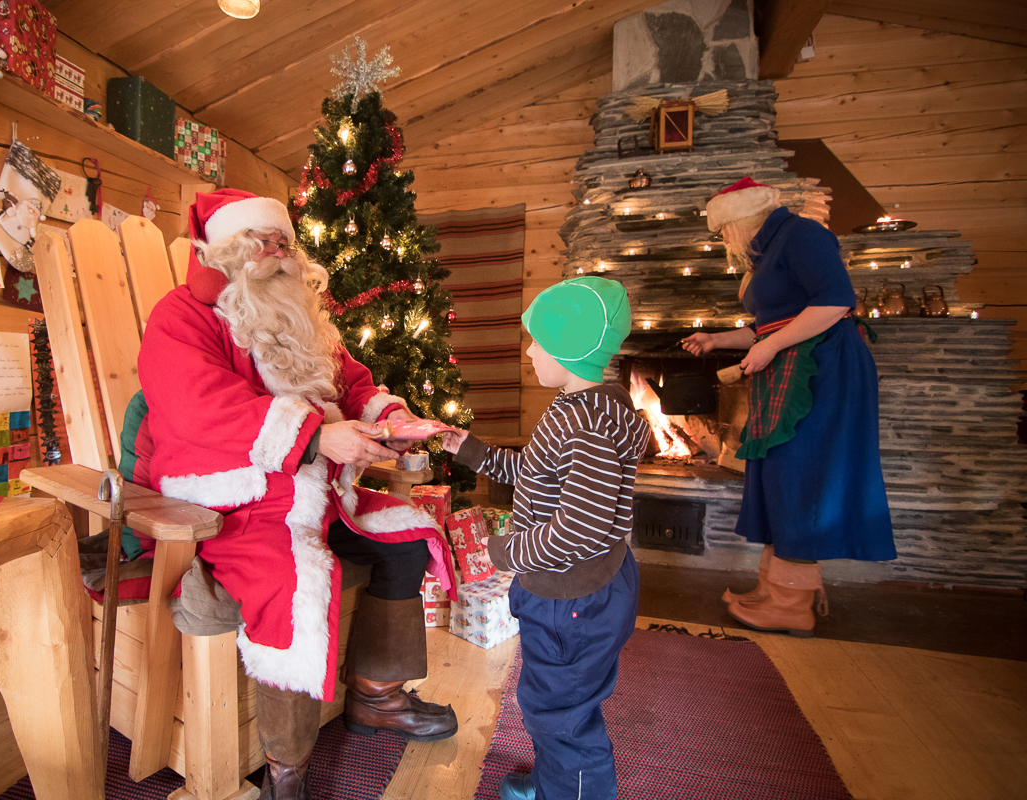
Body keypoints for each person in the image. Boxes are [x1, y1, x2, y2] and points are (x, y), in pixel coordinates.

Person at [131, 188, 459, 800]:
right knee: (292, 583)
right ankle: (287, 767)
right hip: (231, 502)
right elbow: (197, 409)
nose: (278, 253)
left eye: (284, 242)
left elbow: (351, 381)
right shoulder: (181, 317)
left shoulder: (302, 316)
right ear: (225, 251)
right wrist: (316, 438)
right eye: (262, 242)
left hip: (315, 490)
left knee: (406, 535)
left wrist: (389, 419)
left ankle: (376, 696)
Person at [442, 276, 651, 800]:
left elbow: (578, 532)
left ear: (570, 348)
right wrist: (472, 451)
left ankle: (571, 790)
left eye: (539, 341)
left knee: (559, 710)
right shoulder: (582, 405)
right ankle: (559, 780)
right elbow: (539, 471)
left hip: (573, 596)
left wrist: (502, 550)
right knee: (556, 697)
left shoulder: (588, 428)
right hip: (571, 591)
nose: (531, 351)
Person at [681, 177, 896, 637]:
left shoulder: (802, 235)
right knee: (781, 473)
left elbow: (836, 301)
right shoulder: (768, 250)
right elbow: (771, 324)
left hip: (822, 373)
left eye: (722, 232)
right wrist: (718, 338)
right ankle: (772, 589)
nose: (723, 242)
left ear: (739, 219)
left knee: (803, 472)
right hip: (791, 369)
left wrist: (770, 346)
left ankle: (792, 604)